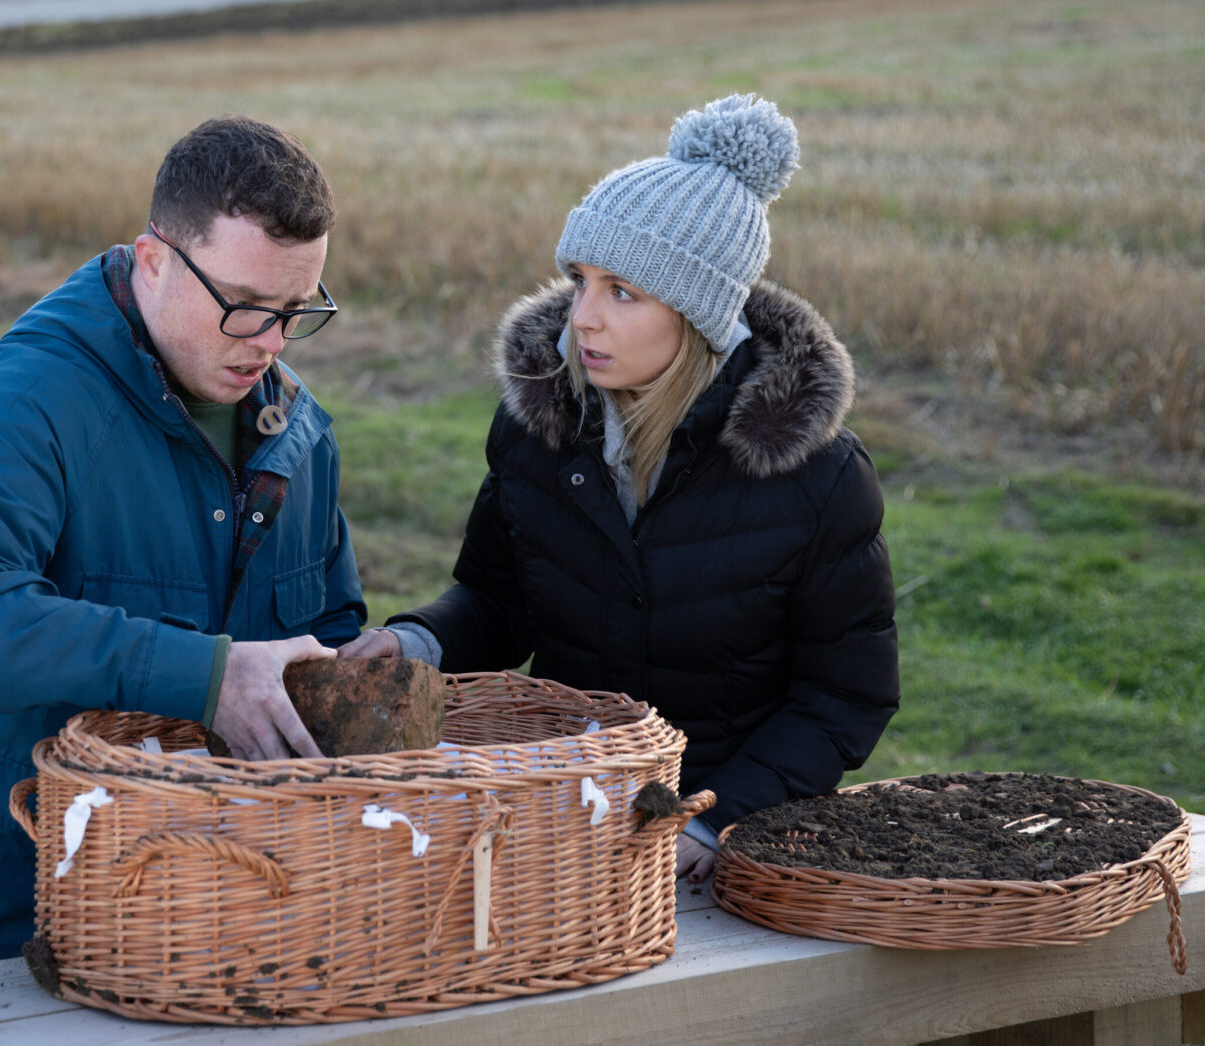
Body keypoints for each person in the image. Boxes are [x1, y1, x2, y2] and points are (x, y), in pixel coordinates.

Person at [341, 95, 899, 883]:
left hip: (724, 850)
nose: (583, 321)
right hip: (554, 825)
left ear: (698, 314)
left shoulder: (820, 479)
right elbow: (499, 602)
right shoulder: (535, 432)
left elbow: (843, 700)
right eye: (581, 281)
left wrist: (711, 821)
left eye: (623, 292)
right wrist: (415, 644)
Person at [0, 115, 366, 975]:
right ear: (153, 261)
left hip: (219, 919)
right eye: (247, 309)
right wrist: (205, 678)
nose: (273, 343)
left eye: (297, 311)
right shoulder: (32, 396)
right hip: (13, 912)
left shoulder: (301, 435)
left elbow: (324, 639)